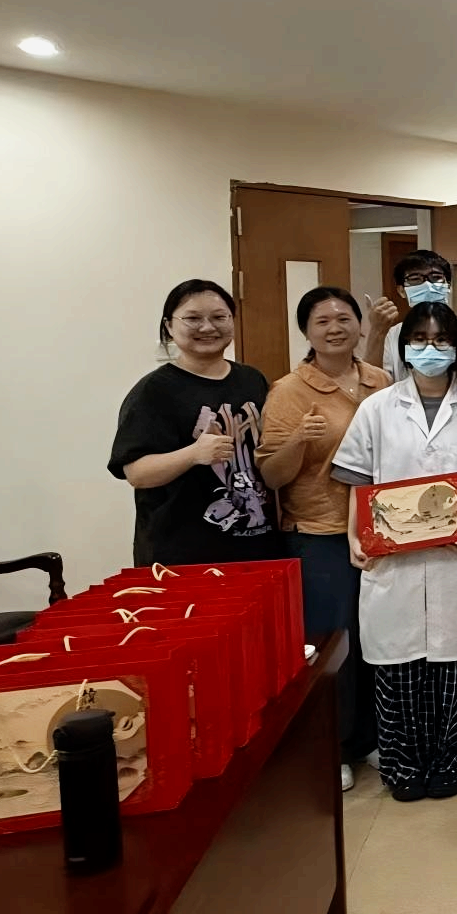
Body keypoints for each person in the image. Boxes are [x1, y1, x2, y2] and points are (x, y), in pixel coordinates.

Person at [333, 303, 457, 801]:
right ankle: (402, 762)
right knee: (398, 669)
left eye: (441, 340)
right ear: (403, 347)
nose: (430, 349)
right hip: (395, 562)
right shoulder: (377, 408)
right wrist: (354, 536)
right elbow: (359, 480)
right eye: (419, 339)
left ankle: (454, 758)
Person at [255, 286, 392, 790]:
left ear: (359, 325)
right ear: (306, 332)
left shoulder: (379, 380)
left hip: (381, 529)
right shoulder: (289, 391)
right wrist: (298, 440)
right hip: (321, 534)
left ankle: (372, 736)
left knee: (376, 639)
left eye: (343, 318)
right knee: (334, 645)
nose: (335, 328)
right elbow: (271, 475)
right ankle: (331, 747)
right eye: (322, 321)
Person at [110, 279, 282, 566]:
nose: (207, 327)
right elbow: (136, 473)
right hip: (183, 555)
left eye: (219, 317)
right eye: (193, 318)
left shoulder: (252, 380)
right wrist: (194, 454)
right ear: (169, 326)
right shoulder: (154, 391)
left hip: (259, 544)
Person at [364, 249, 457, 385]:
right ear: (401, 290)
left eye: (436, 277)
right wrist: (377, 331)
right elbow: (373, 383)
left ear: (448, 285)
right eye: (415, 279)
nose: (427, 285)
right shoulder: (392, 335)